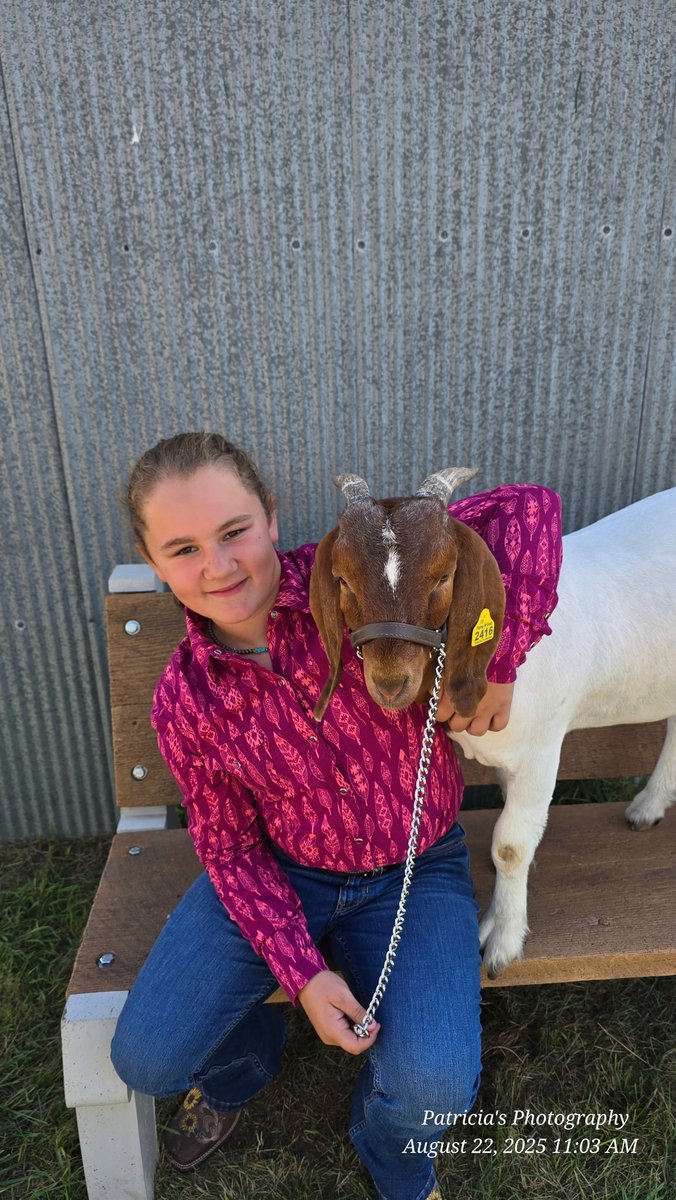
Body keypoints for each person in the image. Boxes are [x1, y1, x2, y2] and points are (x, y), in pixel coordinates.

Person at [111, 431, 562, 1200]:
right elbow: (227, 848)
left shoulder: (362, 573)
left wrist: (498, 661)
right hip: (283, 871)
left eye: (233, 532)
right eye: (183, 549)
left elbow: (530, 511)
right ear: (154, 563)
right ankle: (244, 1062)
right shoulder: (186, 700)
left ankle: (392, 1153)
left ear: (274, 518)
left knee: (437, 1084)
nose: (218, 567)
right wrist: (302, 971)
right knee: (145, 1059)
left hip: (415, 871)